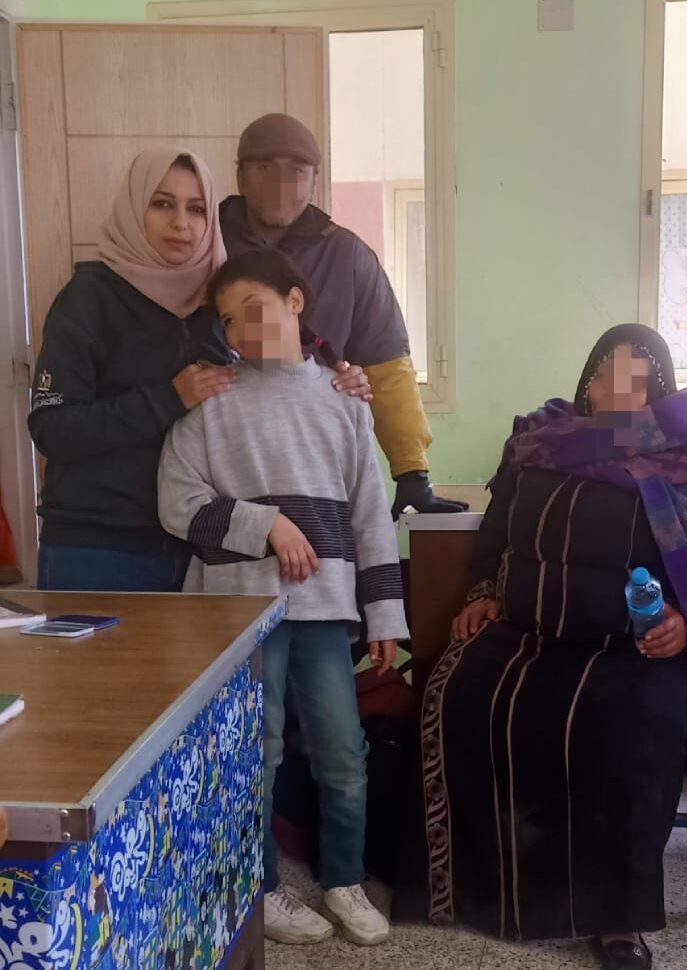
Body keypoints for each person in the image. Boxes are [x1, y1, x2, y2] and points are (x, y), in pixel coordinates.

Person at [393, 325, 687, 970]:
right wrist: (484, 591)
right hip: (529, 637)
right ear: (588, 386)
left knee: (639, 728)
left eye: (638, 380)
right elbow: (498, 528)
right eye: (608, 376)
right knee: (451, 691)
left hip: (636, 651)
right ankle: (465, 883)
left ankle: (616, 919)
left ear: (658, 390)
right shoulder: (540, 444)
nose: (620, 390)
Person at [157, 248, 410, 947]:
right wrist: (265, 523)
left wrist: (385, 615)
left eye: (256, 310)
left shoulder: (344, 400)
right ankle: (260, 887)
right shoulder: (213, 402)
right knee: (254, 754)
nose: (242, 331)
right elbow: (176, 504)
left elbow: (370, 518)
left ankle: (344, 879)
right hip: (240, 615)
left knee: (344, 753)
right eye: (229, 321)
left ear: (295, 301)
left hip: (325, 611)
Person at [28, 147, 370, 592]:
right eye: (162, 204)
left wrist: (336, 379)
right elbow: (53, 428)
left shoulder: (220, 302)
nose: (181, 223)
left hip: (207, 555)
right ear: (134, 208)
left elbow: (272, 385)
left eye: (196, 209)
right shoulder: (88, 298)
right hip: (99, 547)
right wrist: (169, 399)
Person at [219, 112, 467, 518]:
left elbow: (386, 363)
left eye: (296, 171)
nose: (281, 185)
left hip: (317, 456)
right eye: (264, 168)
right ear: (240, 177)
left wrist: (411, 472)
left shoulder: (347, 255)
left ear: (314, 180)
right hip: (225, 451)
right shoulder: (203, 243)